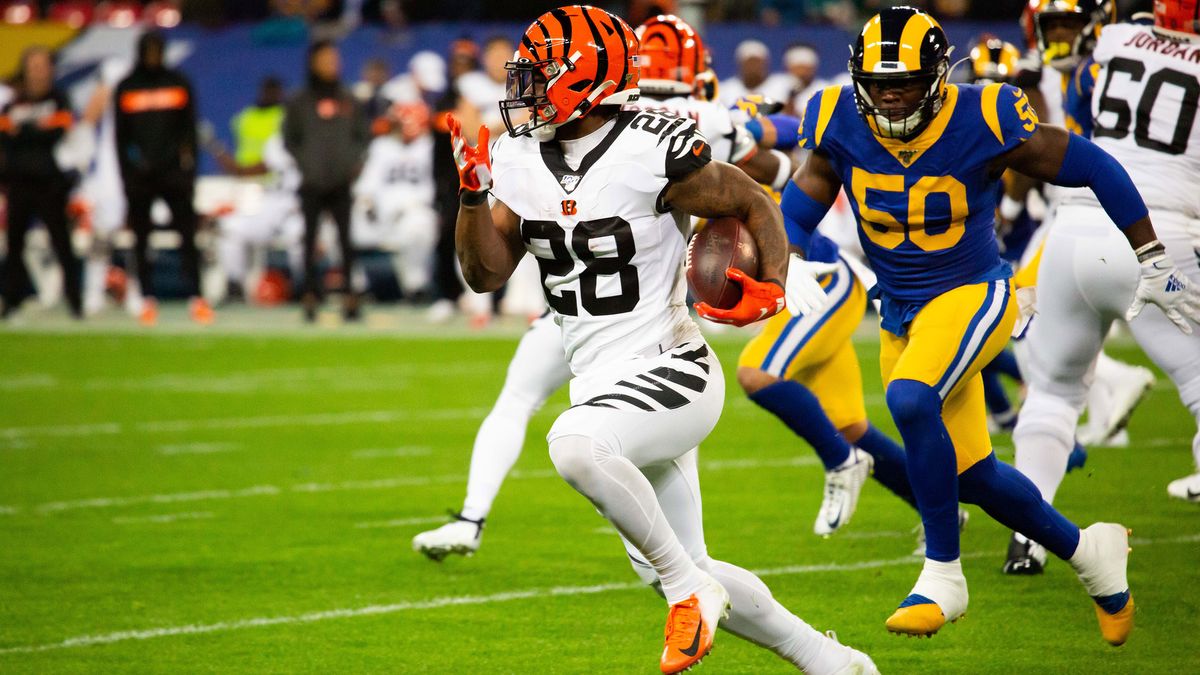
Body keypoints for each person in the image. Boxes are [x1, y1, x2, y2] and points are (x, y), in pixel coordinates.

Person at [451, 6, 876, 674]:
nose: (525, 91)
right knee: (676, 558)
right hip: (601, 379)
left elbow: (752, 199)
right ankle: (829, 659)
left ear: (584, 78)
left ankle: (690, 591)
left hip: (671, 366)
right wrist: (473, 197)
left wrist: (772, 277)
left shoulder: (652, 144)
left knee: (572, 444)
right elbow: (484, 274)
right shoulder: (517, 158)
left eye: (539, 76)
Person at [779, 6, 1196, 644]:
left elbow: (1091, 164)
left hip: (974, 293)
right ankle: (1091, 554)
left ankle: (942, 576)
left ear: (939, 77)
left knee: (910, 398)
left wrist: (1148, 252)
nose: (891, 96)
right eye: (880, 82)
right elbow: (807, 192)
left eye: (907, 82)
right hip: (902, 312)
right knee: (968, 475)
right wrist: (793, 257)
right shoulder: (837, 117)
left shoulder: (983, 114)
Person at [1010, 0, 1200, 541]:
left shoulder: (1113, 43)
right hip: (1157, 234)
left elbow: (1082, 107)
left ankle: (1029, 536)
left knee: (1051, 390)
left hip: (1073, 230)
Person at [115, 30, 211, 326]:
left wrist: (189, 172)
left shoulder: (178, 83)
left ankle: (196, 297)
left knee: (187, 236)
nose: (154, 57)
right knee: (141, 239)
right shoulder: (128, 87)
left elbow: (189, 132)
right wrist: (128, 176)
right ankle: (146, 298)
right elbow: (121, 138)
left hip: (173, 174)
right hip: (141, 176)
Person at [283, 39, 370, 322]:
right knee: (309, 240)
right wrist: (307, 165)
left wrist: (352, 163)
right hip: (312, 181)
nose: (333, 64)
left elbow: (362, 136)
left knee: (346, 242)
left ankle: (349, 295)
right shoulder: (299, 101)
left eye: (335, 58)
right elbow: (290, 138)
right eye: (327, 59)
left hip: (341, 181)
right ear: (313, 63)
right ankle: (309, 293)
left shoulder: (349, 99)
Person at [0, 46, 82, 319]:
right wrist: (34, 130)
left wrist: (24, 131)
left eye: (42, 66)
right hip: (19, 182)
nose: (38, 72)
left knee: (62, 242)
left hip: (50, 184)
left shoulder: (59, 99)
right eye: (33, 66)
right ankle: (12, 299)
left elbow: (57, 134)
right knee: (14, 244)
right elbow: (6, 140)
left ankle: (74, 300)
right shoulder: (13, 104)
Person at [352, 101, 437, 297]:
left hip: (413, 210)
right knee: (342, 221)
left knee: (419, 225)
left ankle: (416, 286)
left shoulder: (430, 146)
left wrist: (410, 205)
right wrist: (366, 203)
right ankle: (356, 284)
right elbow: (366, 185)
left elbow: (433, 188)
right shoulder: (381, 146)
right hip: (379, 214)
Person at [718, 39, 795, 107]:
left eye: (757, 62)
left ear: (766, 64)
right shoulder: (726, 89)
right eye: (749, 62)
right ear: (740, 64)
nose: (753, 67)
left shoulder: (784, 85)